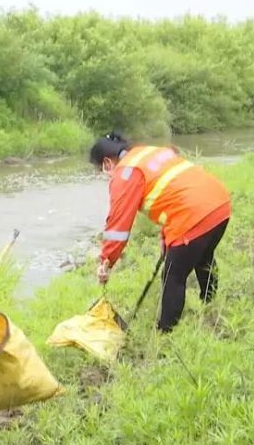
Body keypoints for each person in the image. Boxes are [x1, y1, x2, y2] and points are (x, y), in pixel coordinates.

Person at [90, 131, 231, 332]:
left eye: (101, 170)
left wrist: (106, 261)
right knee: (203, 256)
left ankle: (165, 334)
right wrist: (167, 238)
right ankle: (210, 304)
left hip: (193, 214)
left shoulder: (125, 172)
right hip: (219, 203)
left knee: (173, 277)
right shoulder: (148, 153)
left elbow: (118, 227)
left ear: (106, 162)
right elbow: (172, 192)